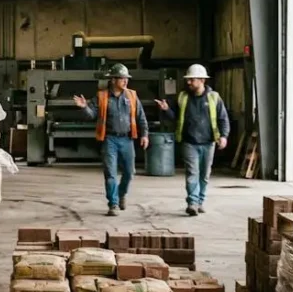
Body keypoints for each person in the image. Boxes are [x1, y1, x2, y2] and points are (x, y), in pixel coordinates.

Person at [72, 64, 148, 217]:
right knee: (111, 173)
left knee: (129, 172)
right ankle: (112, 203)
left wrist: (145, 134)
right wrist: (84, 107)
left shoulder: (132, 96)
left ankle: (121, 194)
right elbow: (90, 115)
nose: (125, 81)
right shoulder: (102, 97)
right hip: (110, 140)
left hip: (127, 139)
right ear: (113, 80)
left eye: (126, 78)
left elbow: (141, 117)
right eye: (122, 78)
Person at [154, 64, 230, 217]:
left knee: (204, 174)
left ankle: (200, 200)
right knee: (192, 172)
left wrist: (223, 136)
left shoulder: (214, 98)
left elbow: (223, 119)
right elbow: (175, 117)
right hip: (189, 142)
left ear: (202, 80)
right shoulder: (182, 97)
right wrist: (166, 110)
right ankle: (192, 202)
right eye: (188, 79)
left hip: (209, 142)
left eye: (192, 79)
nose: (188, 82)